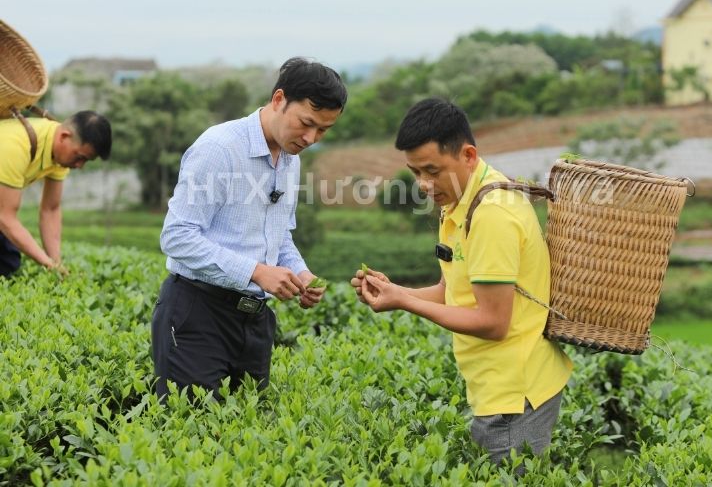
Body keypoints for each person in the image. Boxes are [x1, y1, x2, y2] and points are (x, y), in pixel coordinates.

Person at [350, 98, 572, 470]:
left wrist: (405, 303)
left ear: (468, 155)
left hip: (513, 397)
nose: (423, 184)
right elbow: (451, 291)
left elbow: (493, 322)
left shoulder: (492, 215)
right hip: (494, 387)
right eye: (415, 172)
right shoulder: (459, 201)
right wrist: (397, 292)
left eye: (432, 171)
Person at [153, 57, 347, 399]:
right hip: (197, 315)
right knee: (194, 435)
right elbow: (177, 236)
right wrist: (256, 272)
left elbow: (279, 234)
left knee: (245, 436)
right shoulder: (220, 149)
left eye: (323, 130)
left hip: (255, 322)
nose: (311, 137)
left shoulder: (291, 159)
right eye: (306, 123)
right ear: (278, 100)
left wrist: (300, 273)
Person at [0, 110, 112, 277]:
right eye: (80, 157)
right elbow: (5, 218)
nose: (80, 165)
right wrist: (47, 263)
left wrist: (56, 263)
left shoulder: (59, 153)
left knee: (8, 260)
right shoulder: (14, 145)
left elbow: (51, 209)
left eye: (86, 161)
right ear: (64, 137)